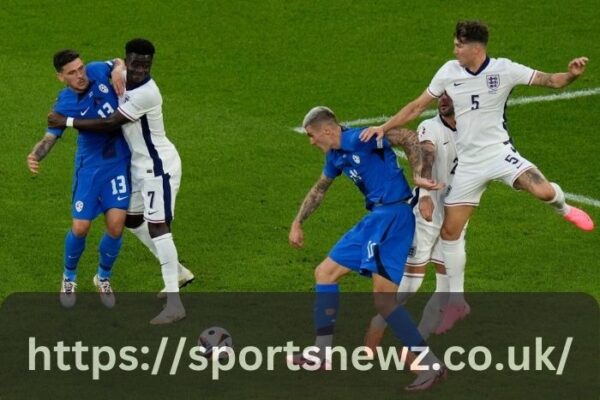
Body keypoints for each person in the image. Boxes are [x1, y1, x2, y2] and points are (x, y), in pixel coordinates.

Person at [360, 20, 594, 334]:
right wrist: (383, 128)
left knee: (541, 191)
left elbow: (550, 81)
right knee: (451, 231)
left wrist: (572, 75)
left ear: (475, 47)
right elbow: (417, 106)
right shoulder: (448, 72)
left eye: (459, 44)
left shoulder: (505, 69)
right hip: (469, 164)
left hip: (498, 153)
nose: (454, 49)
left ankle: (564, 208)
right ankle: (457, 302)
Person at [288, 106, 446, 391]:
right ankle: (322, 353)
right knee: (324, 273)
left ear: (326, 130)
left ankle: (431, 365)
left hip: (394, 218)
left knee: (384, 302)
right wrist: (298, 221)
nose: (311, 142)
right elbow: (320, 188)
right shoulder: (335, 156)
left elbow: (409, 137)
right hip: (375, 219)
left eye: (312, 136)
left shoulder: (358, 139)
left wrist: (420, 183)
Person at [48, 38, 190, 325]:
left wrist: (67, 122)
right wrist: (117, 66)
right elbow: (114, 64)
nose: (139, 69)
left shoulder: (147, 93)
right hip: (136, 165)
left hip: (157, 166)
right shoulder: (122, 75)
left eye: (145, 64)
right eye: (134, 62)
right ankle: (178, 270)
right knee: (132, 220)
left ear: (151, 65)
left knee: (159, 226)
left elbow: (110, 123)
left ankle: (175, 303)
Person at [27, 50, 131, 309]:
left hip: (118, 163)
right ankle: (69, 277)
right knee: (81, 228)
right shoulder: (63, 105)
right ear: (60, 77)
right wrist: (36, 154)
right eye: (72, 73)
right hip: (90, 169)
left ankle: (103, 277)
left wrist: (118, 68)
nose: (80, 75)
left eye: (80, 68)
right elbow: (50, 137)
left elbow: (118, 61)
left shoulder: (97, 70)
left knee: (116, 225)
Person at [365, 93, 463, 352]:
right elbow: (427, 156)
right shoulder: (429, 127)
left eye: (449, 95)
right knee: (410, 285)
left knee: (446, 287)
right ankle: (378, 322)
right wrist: (428, 196)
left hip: (457, 216)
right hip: (425, 214)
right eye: (440, 95)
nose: (443, 99)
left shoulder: (475, 129)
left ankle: (415, 347)